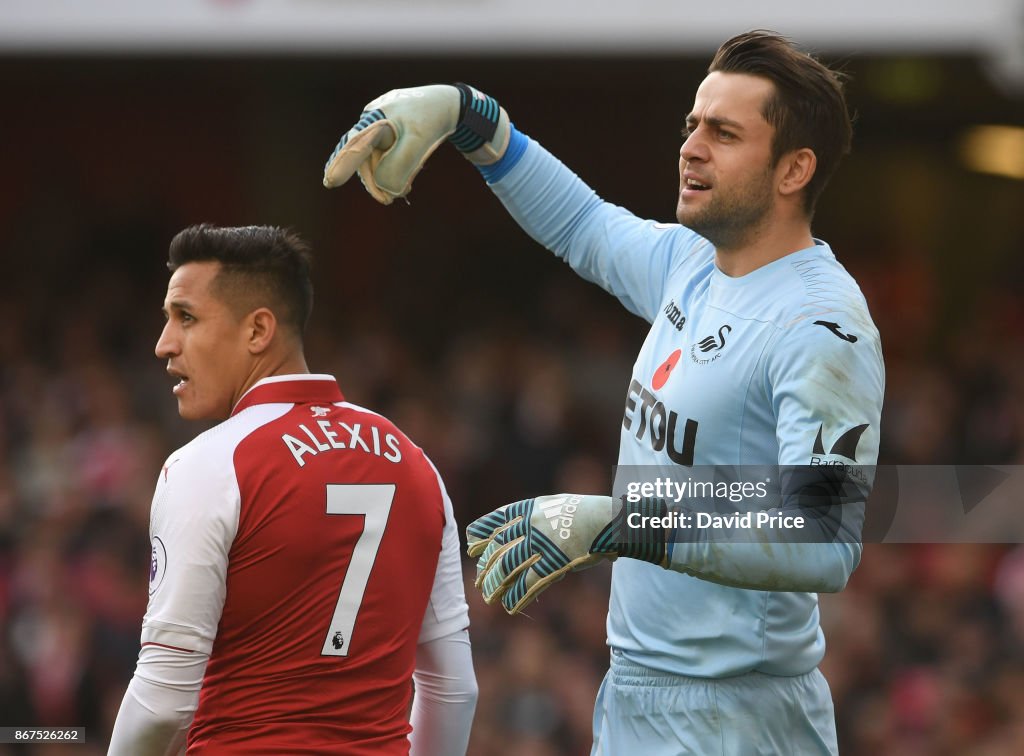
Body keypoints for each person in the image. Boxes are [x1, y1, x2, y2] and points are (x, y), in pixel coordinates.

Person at [323, 30, 884, 755]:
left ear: (793, 169)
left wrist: (622, 522)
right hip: (635, 694)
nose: (691, 147)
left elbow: (822, 533)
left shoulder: (821, 324)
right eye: (691, 126)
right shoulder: (696, 264)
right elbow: (585, 225)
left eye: (724, 132)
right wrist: (474, 120)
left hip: (737, 718)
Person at [108, 225, 477, 755]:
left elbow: (163, 702)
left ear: (258, 330)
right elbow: (454, 689)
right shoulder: (417, 463)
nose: (163, 344)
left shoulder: (208, 466)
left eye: (185, 317)